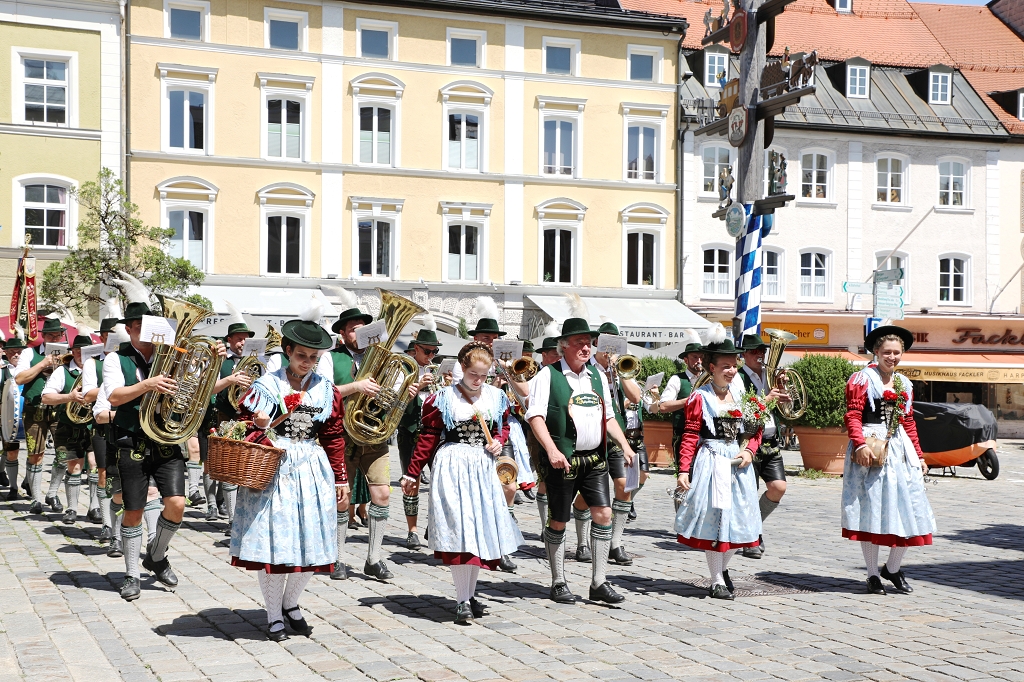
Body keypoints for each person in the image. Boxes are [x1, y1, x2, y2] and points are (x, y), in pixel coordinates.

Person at [104, 274, 227, 601]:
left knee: (177, 504)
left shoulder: (175, 355)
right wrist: (148, 384)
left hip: (166, 438)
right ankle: (131, 574)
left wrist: (216, 358)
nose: (142, 331)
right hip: (132, 440)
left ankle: (156, 556)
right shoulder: (116, 358)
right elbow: (114, 397)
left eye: (146, 326)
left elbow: (199, 388)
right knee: (134, 510)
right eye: (136, 327)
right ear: (129, 330)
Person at [233, 311, 349, 641]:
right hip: (274, 468)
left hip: (312, 469)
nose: (307, 362)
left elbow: (333, 436)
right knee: (274, 546)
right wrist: (257, 425)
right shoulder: (266, 386)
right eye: (301, 355)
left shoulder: (326, 390)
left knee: (313, 542)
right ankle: (273, 615)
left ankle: (290, 602)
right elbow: (241, 430)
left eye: (313, 357)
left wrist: (340, 478)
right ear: (288, 351)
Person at [402, 342, 524, 624]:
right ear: (462, 369)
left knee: (478, 532)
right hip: (454, 465)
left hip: (483, 465)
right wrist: (412, 472)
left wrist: (498, 441)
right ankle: (461, 600)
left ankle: (469, 595)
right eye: (473, 374)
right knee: (460, 530)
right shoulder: (444, 398)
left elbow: (503, 426)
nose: (478, 380)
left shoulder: (496, 396)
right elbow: (428, 437)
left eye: (483, 375)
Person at [526, 316, 638, 605]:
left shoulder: (596, 376)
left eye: (589, 343)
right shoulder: (547, 375)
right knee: (558, 520)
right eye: (580, 343)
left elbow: (608, 416)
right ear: (564, 346)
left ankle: (599, 581)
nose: (586, 348)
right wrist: (551, 450)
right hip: (562, 460)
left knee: (603, 514)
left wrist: (625, 446)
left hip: (594, 460)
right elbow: (535, 416)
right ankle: (558, 581)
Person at [843, 325, 935, 595]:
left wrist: (919, 455)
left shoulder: (904, 383)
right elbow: (853, 415)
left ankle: (892, 568)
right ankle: (872, 574)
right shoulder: (862, 379)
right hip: (871, 449)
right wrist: (860, 444)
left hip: (899, 450)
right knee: (872, 510)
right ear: (876, 351)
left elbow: (908, 421)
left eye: (896, 352)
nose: (892, 357)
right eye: (887, 352)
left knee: (909, 508)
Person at [674, 325, 764, 601]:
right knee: (716, 521)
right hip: (712, 461)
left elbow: (756, 428)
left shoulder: (743, 397)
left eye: (734, 365)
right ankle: (716, 580)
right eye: (726, 366)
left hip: (738, 463)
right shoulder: (700, 397)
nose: (732, 371)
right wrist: (684, 469)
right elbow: (690, 435)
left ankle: (722, 570)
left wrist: (750, 451)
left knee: (740, 520)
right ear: (711, 368)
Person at [320, 301, 393, 581]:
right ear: (342, 334)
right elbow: (324, 393)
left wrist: (405, 392)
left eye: (363, 328)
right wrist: (356, 386)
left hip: (374, 435)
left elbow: (393, 394)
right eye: (353, 329)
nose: (359, 333)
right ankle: (337, 558)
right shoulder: (331, 358)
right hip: (342, 435)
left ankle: (373, 558)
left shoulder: (382, 358)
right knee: (342, 498)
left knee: (382, 494)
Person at [591, 321, 642, 567]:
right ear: (596, 344)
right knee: (586, 496)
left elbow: (636, 397)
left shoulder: (622, 368)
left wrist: (619, 372)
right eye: (605, 343)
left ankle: (616, 543)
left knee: (625, 485)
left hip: (616, 431)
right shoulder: (587, 368)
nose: (609, 350)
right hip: (591, 432)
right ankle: (582, 542)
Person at [737, 334, 791, 559]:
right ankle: (750, 538)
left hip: (770, 439)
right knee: (749, 492)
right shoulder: (738, 378)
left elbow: (786, 411)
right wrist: (767, 399)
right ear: (744, 355)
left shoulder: (770, 377)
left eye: (762, 351)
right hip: (747, 439)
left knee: (778, 487)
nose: (759, 355)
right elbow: (741, 410)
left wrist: (785, 394)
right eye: (754, 351)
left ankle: (754, 528)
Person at [204, 302, 256, 527]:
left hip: (247, 418)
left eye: (246, 339)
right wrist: (230, 380)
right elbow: (208, 388)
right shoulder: (221, 361)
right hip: (224, 416)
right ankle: (218, 508)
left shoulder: (255, 361)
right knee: (221, 464)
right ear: (230, 339)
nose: (243, 342)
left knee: (243, 466)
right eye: (239, 339)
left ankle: (238, 513)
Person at [14, 315, 69, 515]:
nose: (55, 339)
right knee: (35, 454)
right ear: (43, 336)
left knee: (63, 455)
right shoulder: (30, 353)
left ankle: (52, 493)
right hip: (34, 409)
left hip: (59, 409)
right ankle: (36, 498)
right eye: (51, 336)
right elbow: (19, 379)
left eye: (58, 335)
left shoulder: (67, 354)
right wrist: (43, 363)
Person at [40, 333, 95, 524]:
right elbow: (46, 397)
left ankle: (94, 508)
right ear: (72, 351)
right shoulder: (62, 372)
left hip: (93, 424)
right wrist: (70, 397)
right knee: (74, 466)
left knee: (95, 465)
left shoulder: (98, 368)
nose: (81, 354)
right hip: (69, 424)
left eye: (85, 350)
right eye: (77, 350)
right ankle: (72, 508)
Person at [397, 321, 441, 551]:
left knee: (439, 482)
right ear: (415, 349)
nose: (431, 356)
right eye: (427, 351)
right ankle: (412, 530)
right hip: (410, 431)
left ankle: (432, 524)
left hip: (435, 433)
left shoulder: (436, 370)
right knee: (410, 480)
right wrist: (416, 385)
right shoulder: (403, 369)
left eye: (435, 351)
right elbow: (395, 399)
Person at [527, 333, 561, 537]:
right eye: (554, 354)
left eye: (560, 354)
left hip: (560, 430)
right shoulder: (534, 373)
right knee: (544, 478)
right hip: (538, 430)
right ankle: (544, 526)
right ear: (544, 355)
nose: (559, 358)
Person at [653, 329, 703, 466]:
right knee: (684, 472)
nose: (699, 361)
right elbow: (663, 406)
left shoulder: (708, 379)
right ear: (686, 360)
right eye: (695, 357)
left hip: (705, 434)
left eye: (701, 357)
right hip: (683, 433)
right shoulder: (677, 379)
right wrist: (688, 401)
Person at [2, 336, 28, 499]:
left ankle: (29, 481)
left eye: (19, 351)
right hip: (8, 417)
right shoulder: (2, 370)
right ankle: (13, 487)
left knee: (35, 454)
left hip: (31, 415)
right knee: (12, 452)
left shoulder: (31, 369)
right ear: (6, 353)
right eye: (12, 352)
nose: (16, 354)